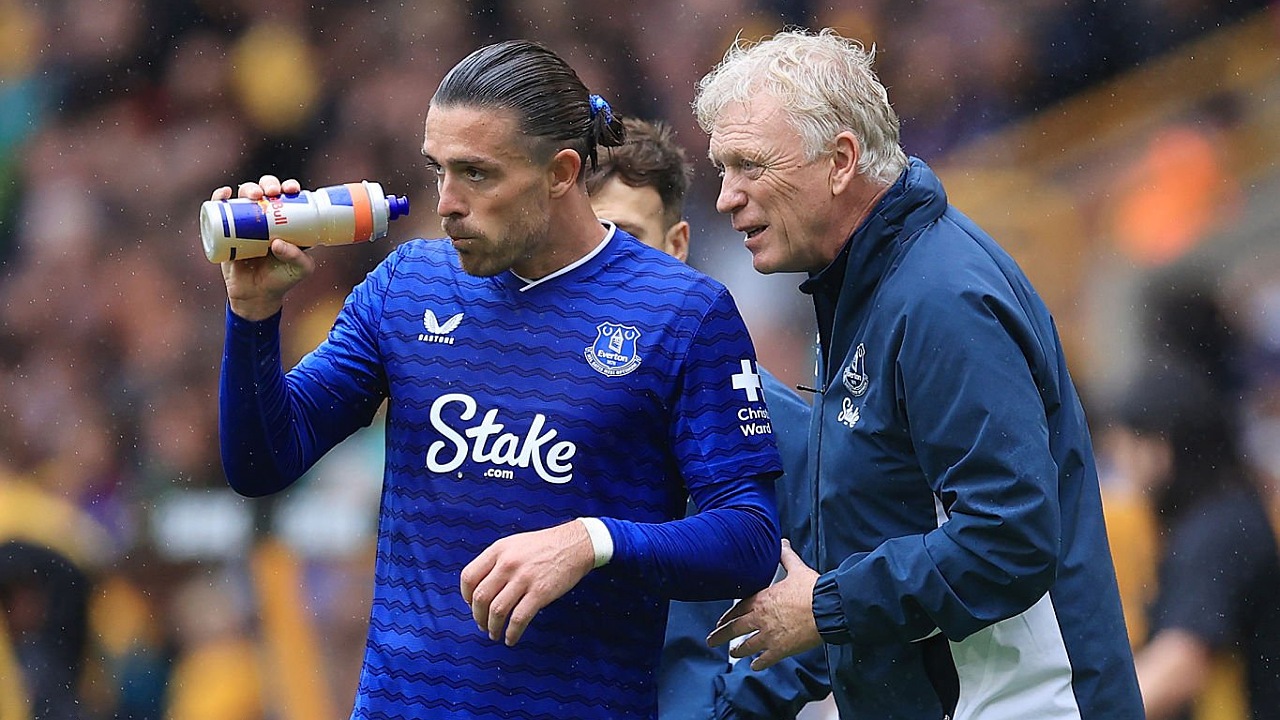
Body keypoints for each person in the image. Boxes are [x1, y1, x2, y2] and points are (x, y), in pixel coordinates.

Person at [213, 40, 782, 720]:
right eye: (439, 170)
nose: (448, 203)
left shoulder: (681, 313)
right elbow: (261, 463)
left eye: (477, 175)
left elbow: (748, 540)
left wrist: (593, 542)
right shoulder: (406, 286)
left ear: (560, 173)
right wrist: (253, 317)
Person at [693, 28, 1145, 718]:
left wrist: (826, 604)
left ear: (841, 160)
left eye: (750, 165)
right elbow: (860, 556)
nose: (726, 197)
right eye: (723, 169)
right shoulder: (861, 290)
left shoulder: (941, 299)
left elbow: (1010, 540)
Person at [585, 117, 832, 719]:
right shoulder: (533, 401)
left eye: (628, 236)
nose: (608, 261)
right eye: (590, 238)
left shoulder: (771, 417)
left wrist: (726, 710)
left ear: (677, 245)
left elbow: (833, 588)